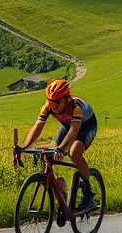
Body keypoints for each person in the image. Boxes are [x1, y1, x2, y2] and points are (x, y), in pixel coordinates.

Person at [14, 79, 98, 214]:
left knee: (74, 152)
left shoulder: (75, 106)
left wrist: (61, 148)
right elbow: (37, 127)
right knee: (47, 152)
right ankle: (60, 189)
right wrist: (24, 148)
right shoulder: (48, 106)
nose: (53, 105)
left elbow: (74, 131)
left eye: (57, 102)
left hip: (85, 127)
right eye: (50, 101)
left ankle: (89, 194)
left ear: (66, 98)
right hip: (67, 126)